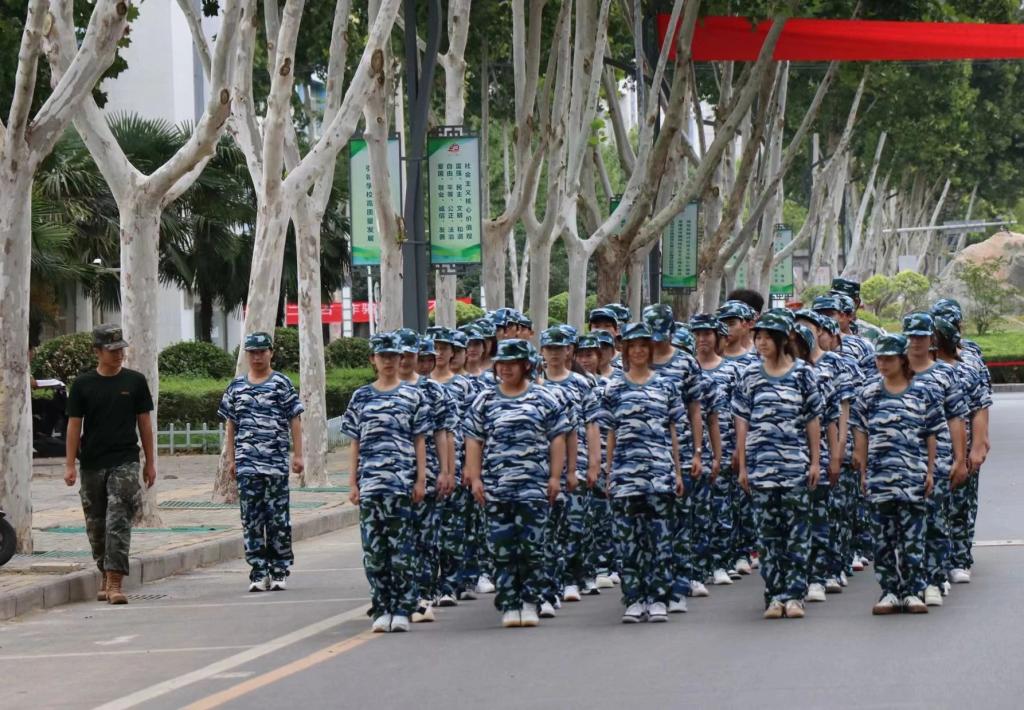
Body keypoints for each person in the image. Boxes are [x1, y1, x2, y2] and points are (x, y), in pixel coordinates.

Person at [464, 339, 572, 628]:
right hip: (496, 488)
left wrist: (555, 477)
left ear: (526, 365)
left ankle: (530, 601)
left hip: (533, 487)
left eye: (512, 363)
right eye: (502, 364)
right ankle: (509, 603)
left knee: (532, 548)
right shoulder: (485, 400)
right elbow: (473, 440)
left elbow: (558, 438)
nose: (506, 369)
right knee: (502, 549)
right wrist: (475, 478)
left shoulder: (544, 398)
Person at [733, 313, 823, 619]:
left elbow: (812, 419)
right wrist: (743, 466)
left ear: (783, 339)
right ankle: (774, 595)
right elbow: (742, 421)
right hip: (761, 469)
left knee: (797, 534)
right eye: (758, 337)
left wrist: (815, 461)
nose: (761, 343)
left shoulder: (803, 374)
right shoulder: (750, 375)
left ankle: (795, 594)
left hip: (795, 468)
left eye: (767, 337)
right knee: (768, 537)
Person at [342, 332, 430, 633]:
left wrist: (421, 479)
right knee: (375, 552)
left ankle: (402, 608)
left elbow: (419, 441)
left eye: (394, 356)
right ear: (373, 360)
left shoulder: (412, 396)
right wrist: (352, 482)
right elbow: (354, 442)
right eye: (383, 356)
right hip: (371, 485)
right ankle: (381, 607)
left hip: (401, 484)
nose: (389, 361)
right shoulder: (361, 397)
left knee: (401, 550)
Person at [598, 323, 686, 623]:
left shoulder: (666, 385)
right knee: (628, 542)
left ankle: (659, 598)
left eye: (642, 345)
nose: (637, 351)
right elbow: (610, 433)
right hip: (625, 475)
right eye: (632, 346)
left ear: (650, 349)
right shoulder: (613, 388)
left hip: (659, 473)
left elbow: (673, 431)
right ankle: (634, 599)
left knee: (660, 540)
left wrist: (677, 472)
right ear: (625, 350)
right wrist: (609, 472)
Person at [64, 324, 156, 605]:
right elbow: (74, 426)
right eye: (112, 350)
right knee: (96, 525)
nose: (118, 355)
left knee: (118, 519)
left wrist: (150, 463)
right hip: (92, 462)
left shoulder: (135, 381)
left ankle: (115, 581)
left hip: (125, 460)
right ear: (97, 351)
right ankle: (104, 572)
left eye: (121, 350)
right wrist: (69, 465)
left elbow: (145, 424)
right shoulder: (83, 385)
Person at [851, 334, 943, 615]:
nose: (882, 364)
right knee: (883, 540)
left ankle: (913, 590)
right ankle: (890, 591)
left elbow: (931, 435)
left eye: (888, 359)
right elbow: (861, 435)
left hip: (913, 477)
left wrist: (930, 471)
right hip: (879, 478)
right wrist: (862, 472)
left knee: (913, 538)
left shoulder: (923, 393)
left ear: (902, 360)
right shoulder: (868, 394)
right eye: (879, 359)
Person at [218, 331, 305, 593]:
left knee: (278, 520)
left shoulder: (281, 383)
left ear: (271, 353)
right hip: (247, 464)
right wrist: (231, 459)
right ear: (247, 355)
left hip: (275, 464)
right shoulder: (236, 387)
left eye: (262, 352)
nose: (257, 357)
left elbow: (294, 419)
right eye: (252, 352)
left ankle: (279, 570)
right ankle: (258, 571)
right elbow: (231, 424)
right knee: (251, 520)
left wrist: (298, 454)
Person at [902, 312, 968, 605]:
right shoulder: (893, 370)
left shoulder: (945, 374)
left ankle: (934, 578)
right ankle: (909, 582)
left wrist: (960, 458)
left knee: (934, 521)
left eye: (921, 336)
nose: (916, 341)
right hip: (901, 460)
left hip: (937, 459)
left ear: (932, 339)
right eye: (911, 336)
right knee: (904, 525)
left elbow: (956, 418)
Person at [394, 328, 453, 623]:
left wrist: (446, 471)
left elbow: (444, 434)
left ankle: (424, 595)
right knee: (397, 539)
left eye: (411, 354)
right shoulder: (382, 390)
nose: (406, 360)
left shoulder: (433, 391)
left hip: (427, 475)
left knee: (426, 539)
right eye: (400, 355)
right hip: (392, 477)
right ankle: (402, 595)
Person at [932, 316, 992, 584]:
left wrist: (978, 447)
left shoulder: (967, 369)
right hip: (930, 453)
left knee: (961, 506)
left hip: (963, 449)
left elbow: (980, 409)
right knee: (933, 509)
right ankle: (936, 562)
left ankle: (959, 559)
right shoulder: (917, 371)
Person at [540, 327, 592, 605]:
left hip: (576, 459)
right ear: (542, 352)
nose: (555, 354)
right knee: (547, 526)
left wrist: (592, 463)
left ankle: (572, 578)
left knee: (574, 523)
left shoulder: (582, 383)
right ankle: (551, 581)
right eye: (550, 349)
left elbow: (591, 424)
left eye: (559, 349)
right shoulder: (536, 384)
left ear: (569, 351)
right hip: (541, 465)